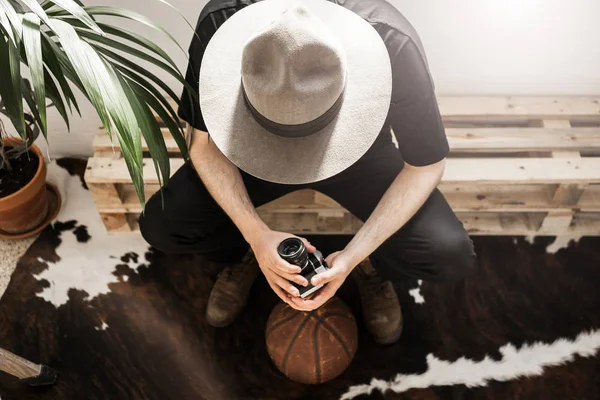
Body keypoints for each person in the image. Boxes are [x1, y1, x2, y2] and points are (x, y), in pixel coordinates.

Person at [139, 0, 476, 345]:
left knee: (448, 254)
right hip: (253, 148)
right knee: (162, 226)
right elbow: (202, 144)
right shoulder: (222, 20)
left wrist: (354, 254)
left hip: (360, 154)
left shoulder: (390, 39)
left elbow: (426, 165)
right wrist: (255, 235)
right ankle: (250, 257)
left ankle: (370, 269)